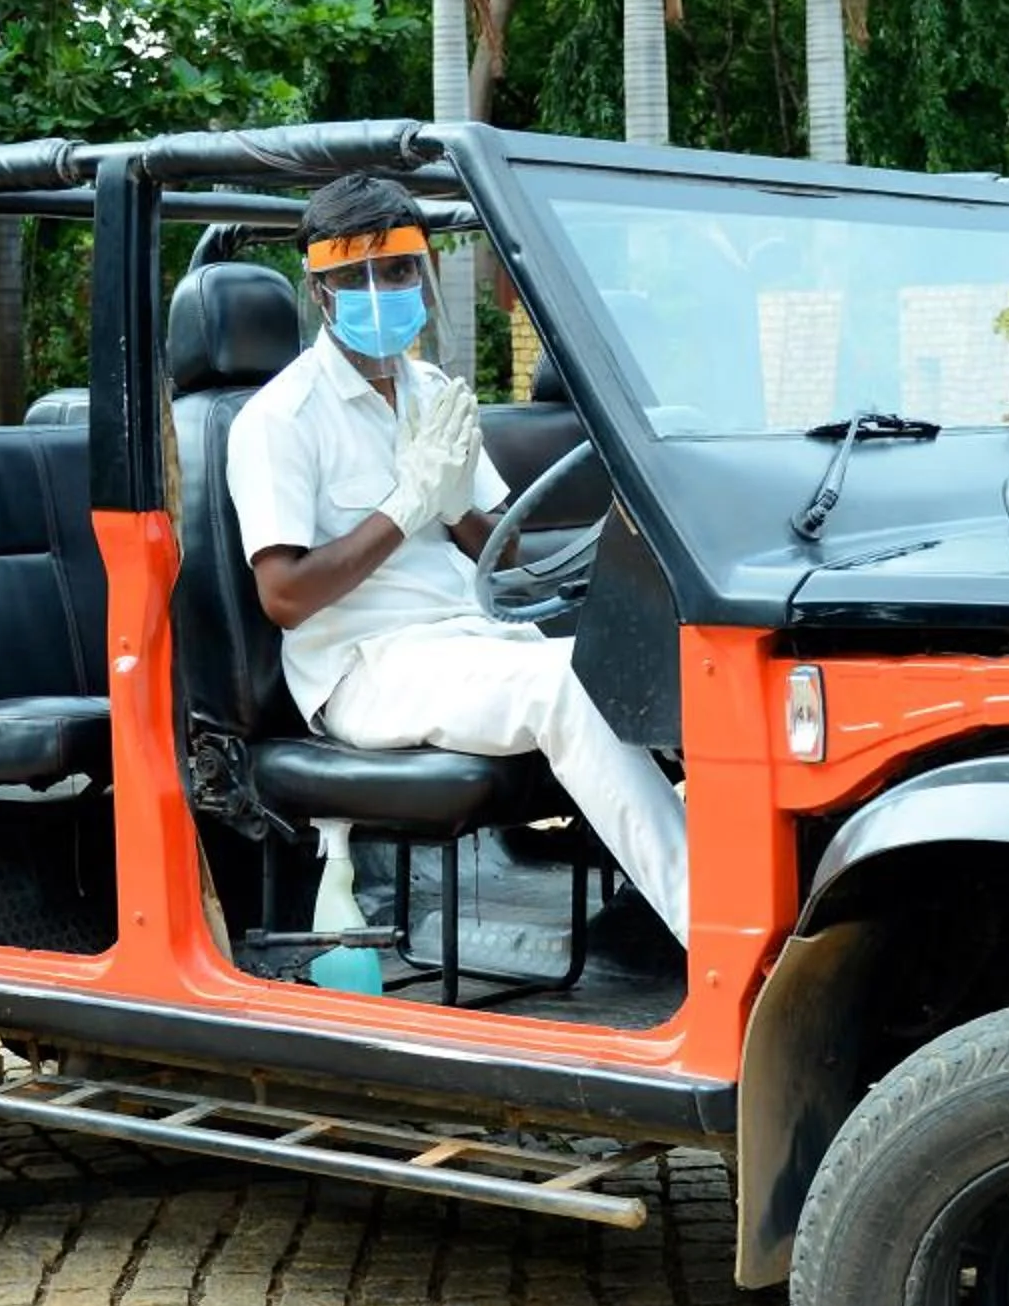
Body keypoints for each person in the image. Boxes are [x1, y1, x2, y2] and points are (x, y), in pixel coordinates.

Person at [223, 174, 692, 947]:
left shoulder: (431, 389)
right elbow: (284, 595)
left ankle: (740, 906)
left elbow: (494, 547)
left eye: (398, 270)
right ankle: (720, 939)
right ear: (320, 289)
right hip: (365, 667)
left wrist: (450, 506)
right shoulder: (279, 419)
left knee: (671, 666)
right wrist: (404, 506)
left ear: (424, 272)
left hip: (471, 639)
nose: (381, 290)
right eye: (355, 276)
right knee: (562, 688)